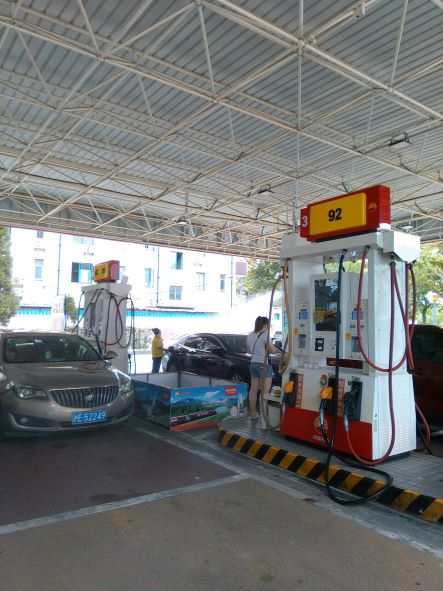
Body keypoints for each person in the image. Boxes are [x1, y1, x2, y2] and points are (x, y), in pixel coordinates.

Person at [246, 316, 276, 421]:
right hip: (264, 365)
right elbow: (273, 351)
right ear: (265, 324)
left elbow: (249, 351)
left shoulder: (250, 335)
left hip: (253, 364)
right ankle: (264, 418)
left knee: (253, 390)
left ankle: (253, 414)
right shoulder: (265, 335)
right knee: (265, 392)